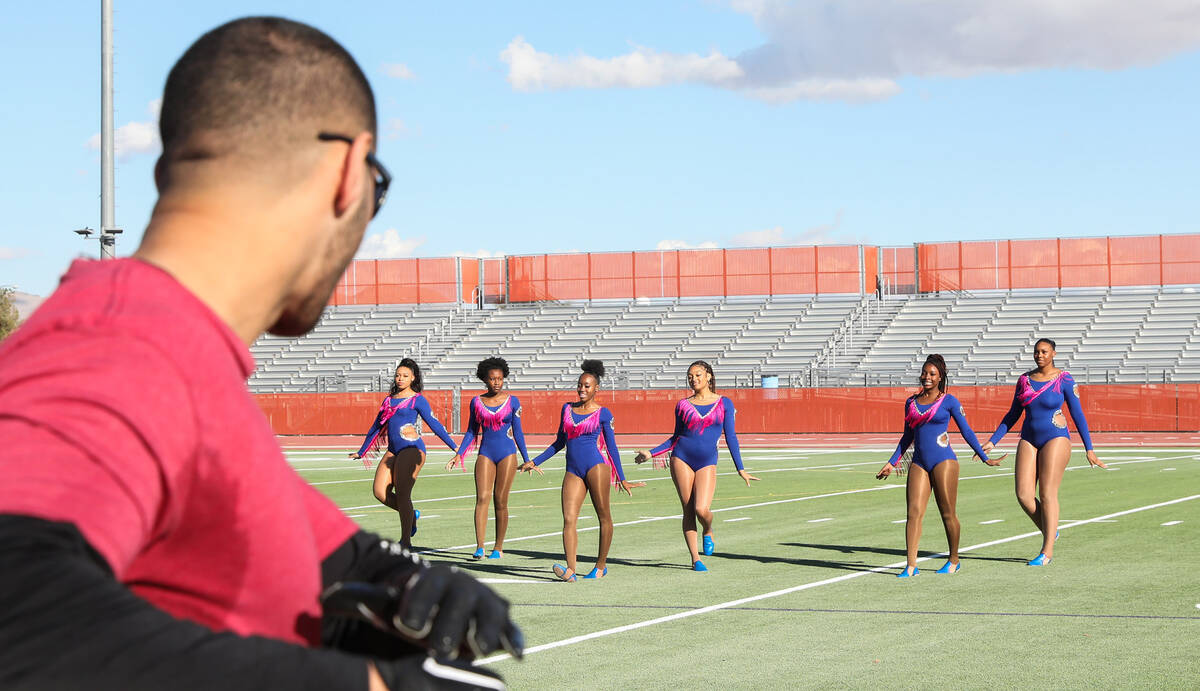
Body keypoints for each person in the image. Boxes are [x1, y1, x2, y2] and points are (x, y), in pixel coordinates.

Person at [0, 17, 516, 690]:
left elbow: (328, 550)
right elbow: (16, 601)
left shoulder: (181, 359)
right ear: (346, 173)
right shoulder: (121, 348)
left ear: (165, 169)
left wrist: (402, 582)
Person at [982, 338, 1106, 566]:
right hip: (1029, 438)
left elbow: (1078, 415)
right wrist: (993, 440)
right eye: (1037, 352)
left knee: (1048, 493)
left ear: (1053, 354)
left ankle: (1047, 551)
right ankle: (1051, 529)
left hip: (1056, 437)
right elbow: (1012, 414)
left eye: (1044, 352)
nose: (1040, 355)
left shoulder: (1064, 379)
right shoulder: (1024, 380)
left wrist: (1090, 449)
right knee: (1023, 495)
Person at [875, 355, 1001, 577]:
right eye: (925, 373)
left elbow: (966, 431)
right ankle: (911, 566)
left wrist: (983, 456)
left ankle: (954, 559)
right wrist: (891, 462)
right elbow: (907, 437)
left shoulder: (949, 401)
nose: (927, 377)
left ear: (940, 377)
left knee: (947, 513)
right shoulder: (911, 403)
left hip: (944, 461)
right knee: (913, 512)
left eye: (932, 374)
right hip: (919, 462)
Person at [520, 360, 643, 581]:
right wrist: (535, 461)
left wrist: (622, 479)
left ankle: (600, 565)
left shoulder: (603, 413)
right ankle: (571, 569)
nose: (582, 389)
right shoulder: (567, 408)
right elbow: (559, 442)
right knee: (568, 518)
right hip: (573, 469)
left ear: (597, 389)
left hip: (596, 467)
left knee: (603, 516)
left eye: (587, 386)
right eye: (580, 385)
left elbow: (612, 448)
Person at [634, 360, 758, 572]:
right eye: (690, 376)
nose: (694, 379)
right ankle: (695, 559)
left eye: (698, 375)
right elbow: (675, 438)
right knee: (689, 509)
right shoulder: (682, 405)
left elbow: (731, 437)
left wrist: (741, 469)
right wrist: (651, 453)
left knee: (702, 509)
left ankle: (708, 529)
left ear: (709, 376)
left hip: (707, 461)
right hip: (681, 458)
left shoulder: (724, 403)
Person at [350, 358, 457, 548]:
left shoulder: (418, 399)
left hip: (412, 448)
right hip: (393, 450)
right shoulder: (388, 400)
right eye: (398, 375)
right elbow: (376, 427)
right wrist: (362, 451)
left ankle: (406, 541)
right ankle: (412, 514)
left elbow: (434, 424)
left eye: (405, 376)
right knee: (380, 492)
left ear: (413, 378)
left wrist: (455, 447)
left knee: (402, 494)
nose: (400, 379)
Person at [447, 357, 531, 560]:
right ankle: (480, 546)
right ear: (485, 379)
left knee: (500, 500)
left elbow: (518, 433)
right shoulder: (476, 402)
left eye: (500, 379)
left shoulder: (513, 402)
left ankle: (498, 547)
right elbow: (470, 432)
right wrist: (459, 454)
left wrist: (527, 458)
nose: (496, 382)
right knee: (482, 498)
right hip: (485, 453)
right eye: (492, 379)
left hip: (507, 454)